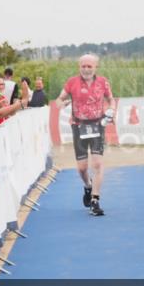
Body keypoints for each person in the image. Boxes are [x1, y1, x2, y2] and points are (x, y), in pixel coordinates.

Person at [56, 54, 116, 216]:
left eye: (90, 66)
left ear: (95, 67)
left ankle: (95, 200)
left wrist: (111, 110)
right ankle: (87, 186)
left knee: (97, 164)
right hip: (78, 126)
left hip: (97, 125)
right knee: (82, 168)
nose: (86, 69)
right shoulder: (71, 82)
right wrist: (63, 103)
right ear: (79, 67)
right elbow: (58, 100)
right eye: (83, 66)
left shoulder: (103, 82)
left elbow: (111, 99)